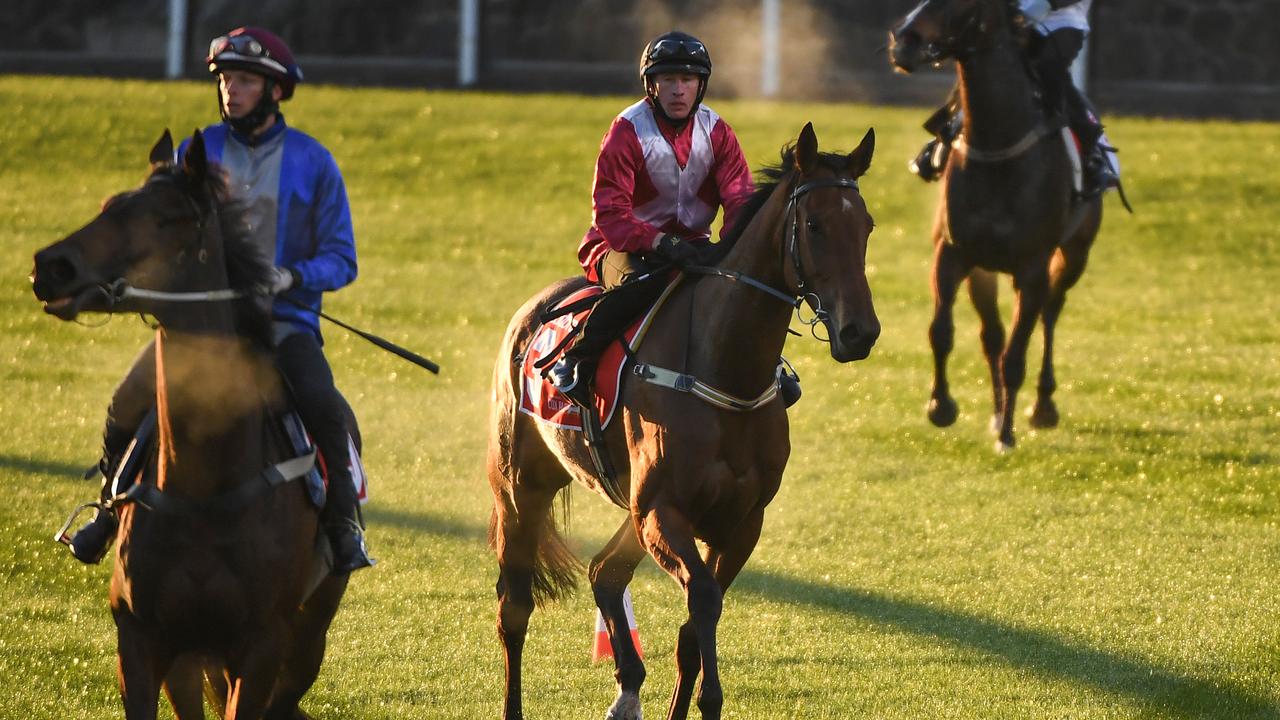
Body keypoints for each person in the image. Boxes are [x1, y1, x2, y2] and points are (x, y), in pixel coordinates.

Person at [62, 27, 373, 574]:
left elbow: (342, 259)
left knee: (325, 407)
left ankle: (343, 525)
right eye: (226, 79)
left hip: (284, 326)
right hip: (195, 331)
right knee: (124, 403)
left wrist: (289, 276)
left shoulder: (314, 162)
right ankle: (108, 512)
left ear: (275, 91)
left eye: (246, 80)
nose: (232, 90)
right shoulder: (193, 153)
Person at [546, 30, 764, 404]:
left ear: (700, 86)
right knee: (643, 281)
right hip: (616, 245)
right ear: (652, 85)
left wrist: (731, 251)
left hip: (692, 246)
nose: (678, 89)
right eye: (669, 79)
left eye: (688, 80)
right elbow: (611, 214)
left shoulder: (719, 133)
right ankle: (577, 361)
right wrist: (660, 241)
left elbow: (741, 200)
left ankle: (770, 370)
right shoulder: (626, 131)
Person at [910, 0, 1115, 195]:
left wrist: (1039, 6)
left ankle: (1090, 151)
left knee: (1049, 69)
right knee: (976, 66)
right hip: (1008, 20)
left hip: (1061, 22)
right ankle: (943, 137)